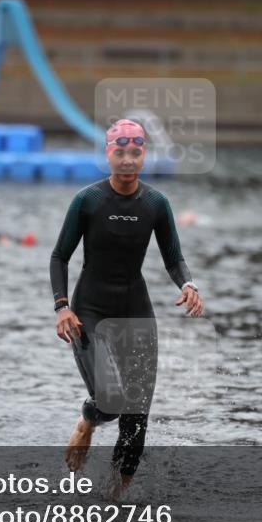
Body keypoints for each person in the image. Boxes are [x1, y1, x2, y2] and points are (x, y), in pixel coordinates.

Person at [50, 119, 204, 494]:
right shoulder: (87, 200)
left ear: (143, 155)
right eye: (120, 151)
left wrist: (187, 283)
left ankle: (118, 498)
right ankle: (88, 419)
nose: (128, 159)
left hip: (135, 309)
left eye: (135, 152)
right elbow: (59, 257)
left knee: (137, 414)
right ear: (108, 154)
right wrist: (62, 307)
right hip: (88, 314)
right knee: (110, 401)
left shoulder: (155, 203)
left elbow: (173, 258)